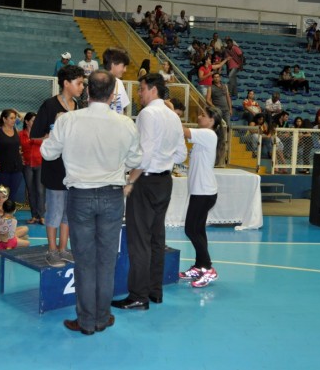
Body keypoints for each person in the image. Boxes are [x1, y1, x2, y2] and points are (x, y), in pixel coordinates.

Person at [41, 70, 142, 333]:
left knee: (85, 262)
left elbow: (47, 153)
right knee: (106, 261)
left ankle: (86, 321)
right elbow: (136, 160)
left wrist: (55, 129)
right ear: (113, 94)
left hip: (80, 196)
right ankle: (102, 317)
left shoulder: (67, 120)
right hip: (112, 195)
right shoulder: (126, 124)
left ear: (87, 92)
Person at [112, 73, 187, 311]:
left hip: (145, 182)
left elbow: (143, 155)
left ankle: (138, 296)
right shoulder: (173, 116)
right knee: (156, 238)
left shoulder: (147, 114)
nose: (139, 94)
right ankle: (155, 291)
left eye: (142, 89)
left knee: (139, 241)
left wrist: (130, 180)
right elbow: (181, 155)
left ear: (153, 89)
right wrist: (164, 159)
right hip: (164, 181)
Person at [31, 65, 85, 267]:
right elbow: (35, 136)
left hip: (73, 169)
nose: (82, 87)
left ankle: (63, 248)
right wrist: (55, 133)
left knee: (68, 212)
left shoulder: (77, 106)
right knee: (54, 210)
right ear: (66, 83)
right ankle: (52, 251)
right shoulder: (49, 105)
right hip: (54, 167)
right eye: (79, 83)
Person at [178, 106, 224, 288]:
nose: (199, 117)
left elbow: (182, 131)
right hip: (201, 191)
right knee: (198, 230)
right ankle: (200, 266)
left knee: (191, 230)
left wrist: (170, 112)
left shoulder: (208, 134)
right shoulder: (204, 136)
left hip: (204, 192)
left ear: (212, 121)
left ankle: (209, 268)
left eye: (203, 115)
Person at [0, 109, 23, 202]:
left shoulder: (16, 130)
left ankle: (10, 210)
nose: (14, 120)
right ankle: (1, 210)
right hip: (2, 168)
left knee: (13, 194)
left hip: (16, 167)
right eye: (11, 118)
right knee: (2, 194)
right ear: (4, 119)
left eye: (14, 118)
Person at [19, 112, 45, 224]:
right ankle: (34, 216)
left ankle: (42, 216)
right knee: (30, 191)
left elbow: (45, 142)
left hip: (40, 163)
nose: (35, 122)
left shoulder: (41, 133)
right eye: (33, 120)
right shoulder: (20, 134)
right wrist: (20, 158)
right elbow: (17, 148)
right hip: (27, 165)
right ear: (27, 121)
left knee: (40, 190)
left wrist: (33, 140)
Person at [102, 48, 131, 115]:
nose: (125, 70)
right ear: (113, 64)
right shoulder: (97, 83)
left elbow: (123, 109)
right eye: (123, 66)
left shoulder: (119, 83)